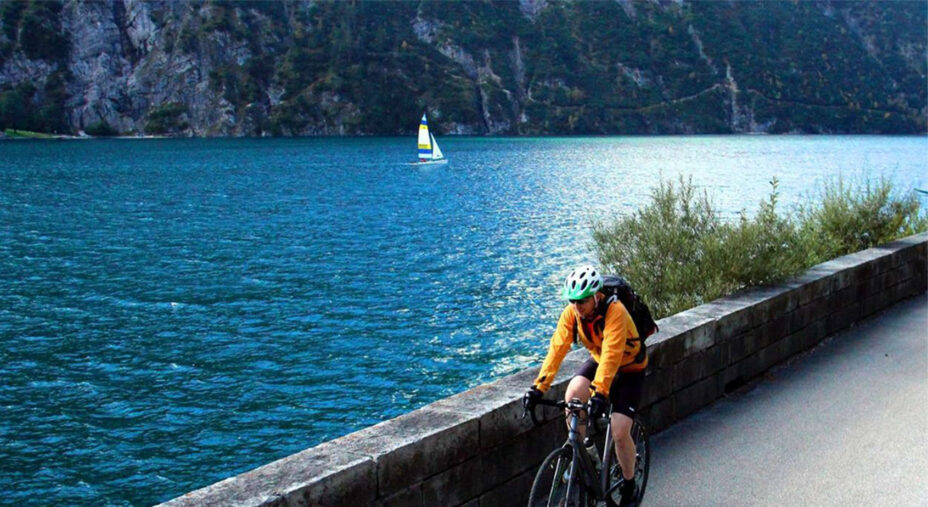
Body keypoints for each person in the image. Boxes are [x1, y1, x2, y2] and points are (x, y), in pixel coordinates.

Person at [523, 265, 648, 507]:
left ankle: (629, 483)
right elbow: (557, 349)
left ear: (596, 296)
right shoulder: (572, 314)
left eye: (582, 301)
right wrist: (538, 387)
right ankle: (583, 452)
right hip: (600, 360)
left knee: (620, 430)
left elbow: (613, 353)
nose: (577, 306)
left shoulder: (616, 311)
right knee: (573, 394)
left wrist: (600, 392)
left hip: (630, 367)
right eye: (572, 301)